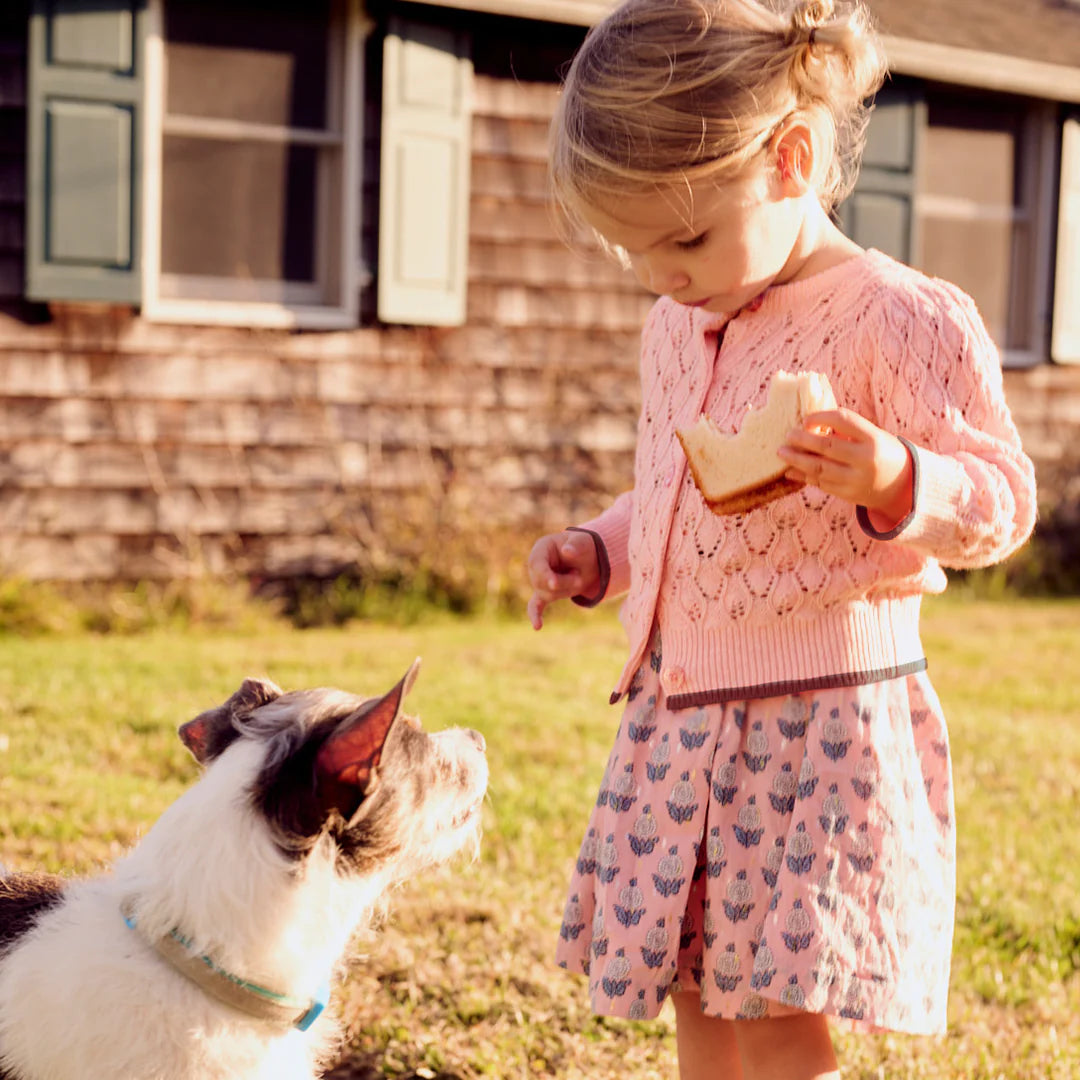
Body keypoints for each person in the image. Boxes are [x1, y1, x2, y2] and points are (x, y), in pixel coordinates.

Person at [525, 0, 1038, 1077]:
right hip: (683, 719)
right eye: (638, 250)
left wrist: (901, 478)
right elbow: (674, 491)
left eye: (688, 238)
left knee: (777, 1004)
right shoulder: (679, 324)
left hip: (816, 728)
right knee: (698, 984)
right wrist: (599, 549)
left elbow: (1002, 499)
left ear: (792, 159)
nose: (664, 274)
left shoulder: (898, 316)